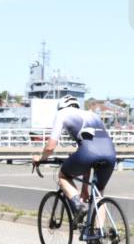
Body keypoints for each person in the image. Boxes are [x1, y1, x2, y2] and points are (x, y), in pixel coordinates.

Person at [32, 95, 117, 226]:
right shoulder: (92, 115)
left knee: (63, 176)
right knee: (99, 194)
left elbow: (50, 147)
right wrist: (84, 189)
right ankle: (97, 237)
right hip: (110, 153)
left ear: (61, 106)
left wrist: (41, 158)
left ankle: (79, 206)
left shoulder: (62, 113)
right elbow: (90, 160)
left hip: (88, 152)